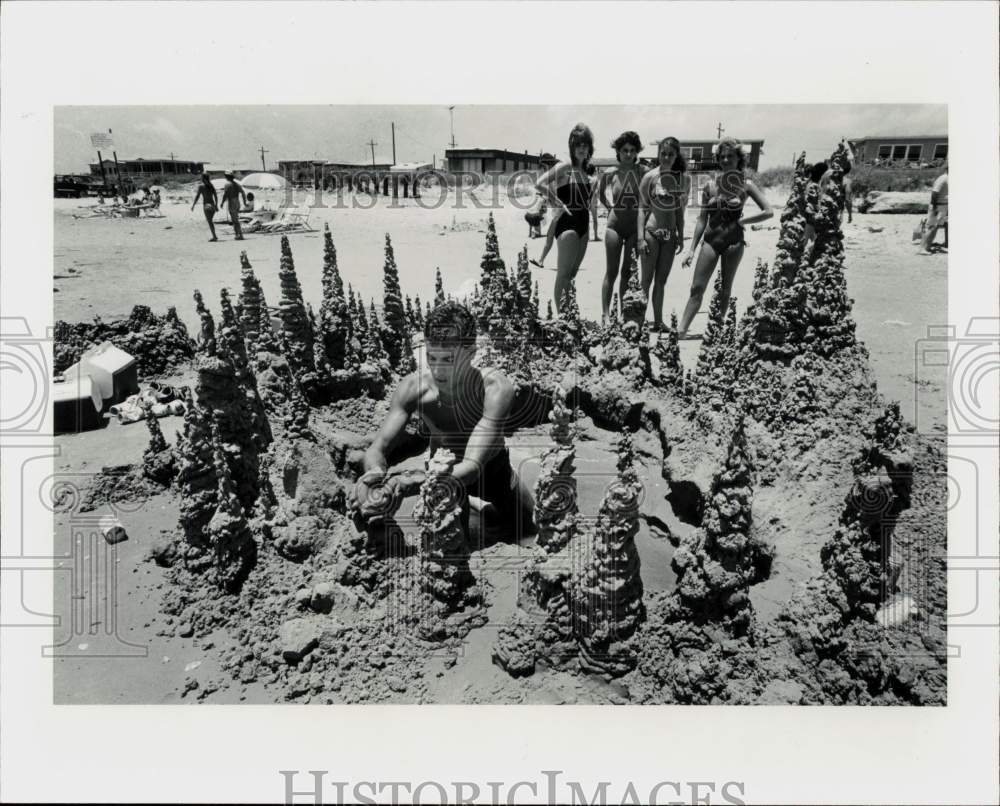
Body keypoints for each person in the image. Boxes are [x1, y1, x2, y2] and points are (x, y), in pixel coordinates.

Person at [350, 301, 534, 540]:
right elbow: (378, 447)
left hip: (492, 472)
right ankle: (469, 514)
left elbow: (472, 467)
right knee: (454, 547)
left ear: (471, 352)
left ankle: (482, 511)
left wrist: (410, 482)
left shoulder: (495, 388)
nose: (437, 370)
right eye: (431, 358)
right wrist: (374, 474)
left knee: (531, 529)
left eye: (447, 360)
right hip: (441, 478)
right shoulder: (413, 388)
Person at [679, 138, 773, 338]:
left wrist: (743, 222)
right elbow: (702, 219)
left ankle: (717, 330)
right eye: (722, 156)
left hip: (734, 242)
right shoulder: (710, 185)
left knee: (725, 289)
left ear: (739, 158)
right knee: (697, 287)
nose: (726, 159)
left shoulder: (746, 185)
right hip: (711, 241)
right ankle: (681, 330)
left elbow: (768, 211)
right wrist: (691, 250)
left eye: (730, 156)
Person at [534, 123, 598, 312]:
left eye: (585, 144)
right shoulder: (565, 166)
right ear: (572, 146)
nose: (581, 148)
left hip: (583, 225)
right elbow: (539, 184)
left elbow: (588, 202)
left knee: (572, 274)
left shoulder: (587, 172)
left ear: (589, 148)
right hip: (567, 224)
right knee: (562, 275)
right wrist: (557, 202)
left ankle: (568, 313)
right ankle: (562, 318)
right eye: (577, 144)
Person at [638, 136, 689, 332]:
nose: (666, 157)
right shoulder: (650, 177)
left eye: (671, 154)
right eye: (663, 153)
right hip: (651, 232)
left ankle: (658, 322)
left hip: (670, 236)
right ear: (658, 154)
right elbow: (642, 208)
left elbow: (679, 211)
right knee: (646, 280)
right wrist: (641, 238)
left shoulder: (682, 179)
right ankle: (640, 321)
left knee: (661, 281)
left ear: (676, 156)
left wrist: (681, 234)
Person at [597, 131, 647, 321]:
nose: (628, 154)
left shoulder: (642, 171)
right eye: (624, 150)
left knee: (627, 271)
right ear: (618, 151)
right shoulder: (610, 173)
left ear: (636, 152)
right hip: (615, 225)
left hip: (635, 227)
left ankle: (623, 313)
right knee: (611, 271)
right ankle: (606, 314)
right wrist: (610, 207)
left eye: (632, 150)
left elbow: (651, 193)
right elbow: (600, 194)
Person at [918, 169, 948, 255]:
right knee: (930, 227)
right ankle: (922, 248)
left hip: (943, 206)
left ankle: (927, 247)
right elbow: (934, 193)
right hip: (938, 206)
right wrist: (935, 207)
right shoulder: (943, 178)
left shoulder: (948, 178)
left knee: (935, 227)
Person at [219, 171, 248, 240]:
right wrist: (244, 202)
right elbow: (243, 193)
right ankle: (237, 234)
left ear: (228, 177)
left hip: (232, 201)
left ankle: (239, 234)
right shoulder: (237, 184)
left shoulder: (227, 185)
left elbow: (225, 194)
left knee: (234, 220)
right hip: (237, 201)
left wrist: (222, 202)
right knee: (235, 219)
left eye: (226, 176)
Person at [191, 172, 219, 241]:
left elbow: (197, 196)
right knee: (210, 221)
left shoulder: (201, 186)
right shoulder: (211, 185)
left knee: (210, 222)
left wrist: (193, 205)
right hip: (212, 205)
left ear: (203, 178)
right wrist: (216, 205)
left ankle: (214, 236)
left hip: (206, 205)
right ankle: (214, 235)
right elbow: (215, 195)